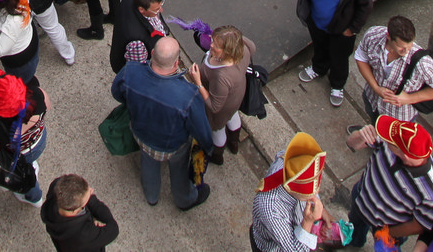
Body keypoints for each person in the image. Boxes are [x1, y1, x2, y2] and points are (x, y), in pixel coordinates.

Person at [110, 36, 211, 210]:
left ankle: (151, 196)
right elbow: (202, 131)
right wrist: (208, 147)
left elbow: (116, 93)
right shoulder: (189, 95)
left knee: (148, 162)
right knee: (179, 170)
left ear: (152, 53)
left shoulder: (130, 71)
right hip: (173, 146)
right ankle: (184, 200)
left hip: (141, 135)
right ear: (176, 63)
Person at [343, 116, 433, 247]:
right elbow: (351, 143)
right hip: (361, 200)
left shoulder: (432, 193)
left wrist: (386, 233)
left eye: (391, 142)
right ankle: (353, 242)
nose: (386, 137)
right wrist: (360, 135)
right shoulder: (390, 138)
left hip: (389, 227)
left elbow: (419, 225)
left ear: (404, 155)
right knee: (354, 230)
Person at [295, 0, 374, 109]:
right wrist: (305, 6)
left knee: (340, 58)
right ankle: (318, 68)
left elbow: (366, 5)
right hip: (316, 22)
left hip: (341, 30)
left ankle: (337, 85)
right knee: (319, 47)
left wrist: (352, 29)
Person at [356, 15, 433, 122]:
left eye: (409, 45)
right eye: (401, 47)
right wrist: (376, 88)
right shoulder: (373, 36)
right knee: (373, 122)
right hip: (372, 100)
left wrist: (409, 98)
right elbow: (361, 58)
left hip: (398, 117)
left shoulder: (423, 63)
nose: (406, 51)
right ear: (388, 36)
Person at [0, 70, 49, 206]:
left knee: (27, 177)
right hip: (39, 140)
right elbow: (48, 105)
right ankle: (32, 164)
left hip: (20, 155)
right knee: (31, 160)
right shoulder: (37, 93)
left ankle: (35, 197)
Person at [251, 133, 327, 252]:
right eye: (309, 195)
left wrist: (324, 212)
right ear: (293, 189)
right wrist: (308, 222)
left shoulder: (290, 162)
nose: (316, 194)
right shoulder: (271, 210)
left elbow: (280, 154)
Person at [195, 24, 255, 166]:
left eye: (216, 45)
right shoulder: (243, 48)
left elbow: (214, 107)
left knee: (218, 129)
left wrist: (198, 82)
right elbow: (252, 47)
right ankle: (234, 143)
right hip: (235, 97)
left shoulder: (221, 76)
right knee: (233, 116)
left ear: (228, 51)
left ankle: (217, 156)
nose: (211, 45)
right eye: (213, 40)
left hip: (221, 108)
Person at [42, 174, 118, 252]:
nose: (92, 190)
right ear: (75, 210)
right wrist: (92, 200)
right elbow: (113, 230)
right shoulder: (85, 235)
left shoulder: (54, 191)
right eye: (88, 198)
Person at [109, 0, 169, 74]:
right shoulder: (137, 42)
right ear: (141, 9)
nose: (161, 10)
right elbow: (138, 70)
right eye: (156, 10)